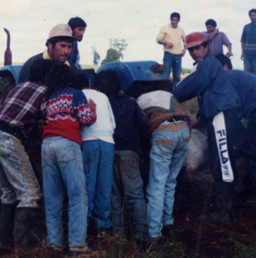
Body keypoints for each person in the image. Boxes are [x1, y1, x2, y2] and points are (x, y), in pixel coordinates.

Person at [172, 32, 242, 224]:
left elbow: (192, 85)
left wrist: (171, 95)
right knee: (220, 160)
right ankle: (226, 210)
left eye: (198, 48)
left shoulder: (208, 65)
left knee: (223, 162)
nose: (195, 52)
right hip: (219, 116)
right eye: (191, 49)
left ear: (206, 47)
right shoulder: (207, 65)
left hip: (222, 117)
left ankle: (224, 213)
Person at [0, 59, 53, 251]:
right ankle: (25, 247)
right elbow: (41, 125)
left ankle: (6, 242)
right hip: (10, 139)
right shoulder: (45, 92)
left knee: (8, 192)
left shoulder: (18, 87)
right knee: (30, 193)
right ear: (47, 78)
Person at [40, 63, 99, 256]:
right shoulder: (75, 94)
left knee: (52, 198)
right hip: (67, 143)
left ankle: (54, 244)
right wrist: (93, 109)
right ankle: (76, 244)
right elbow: (86, 119)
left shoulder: (51, 99)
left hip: (47, 144)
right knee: (77, 195)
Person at [215, 54, 256, 207]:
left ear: (225, 66)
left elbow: (231, 106)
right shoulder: (238, 75)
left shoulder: (228, 77)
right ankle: (251, 188)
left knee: (252, 152)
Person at [131, 83, 192, 243]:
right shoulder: (165, 94)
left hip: (164, 132)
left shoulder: (139, 101)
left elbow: (143, 132)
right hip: (184, 131)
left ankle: (153, 234)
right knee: (170, 181)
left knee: (156, 184)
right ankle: (168, 224)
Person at [100, 70, 150, 243]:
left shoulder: (100, 104)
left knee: (113, 195)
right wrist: (143, 152)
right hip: (129, 153)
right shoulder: (130, 102)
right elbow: (144, 127)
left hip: (107, 153)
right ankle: (141, 233)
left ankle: (118, 235)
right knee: (135, 194)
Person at [74, 71, 116, 237]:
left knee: (87, 184)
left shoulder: (75, 96)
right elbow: (112, 123)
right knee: (104, 184)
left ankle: (84, 224)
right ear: (90, 83)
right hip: (107, 141)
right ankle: (103, 227)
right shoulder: (103, 96)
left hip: (88, 141)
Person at [156, 12, 186, 88]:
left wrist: (184, 50)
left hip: (178, 55)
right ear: (170, 19)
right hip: (168, 54)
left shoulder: (181, 30)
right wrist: (166, 42)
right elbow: (158, 40)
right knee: (165, 74)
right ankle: (165, 91)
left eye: (176, 20)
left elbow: (186, 41)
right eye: (172, 20)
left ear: (179, 20)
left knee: (177, 76)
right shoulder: (165, 28)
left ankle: (176, 93)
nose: (174, 22)